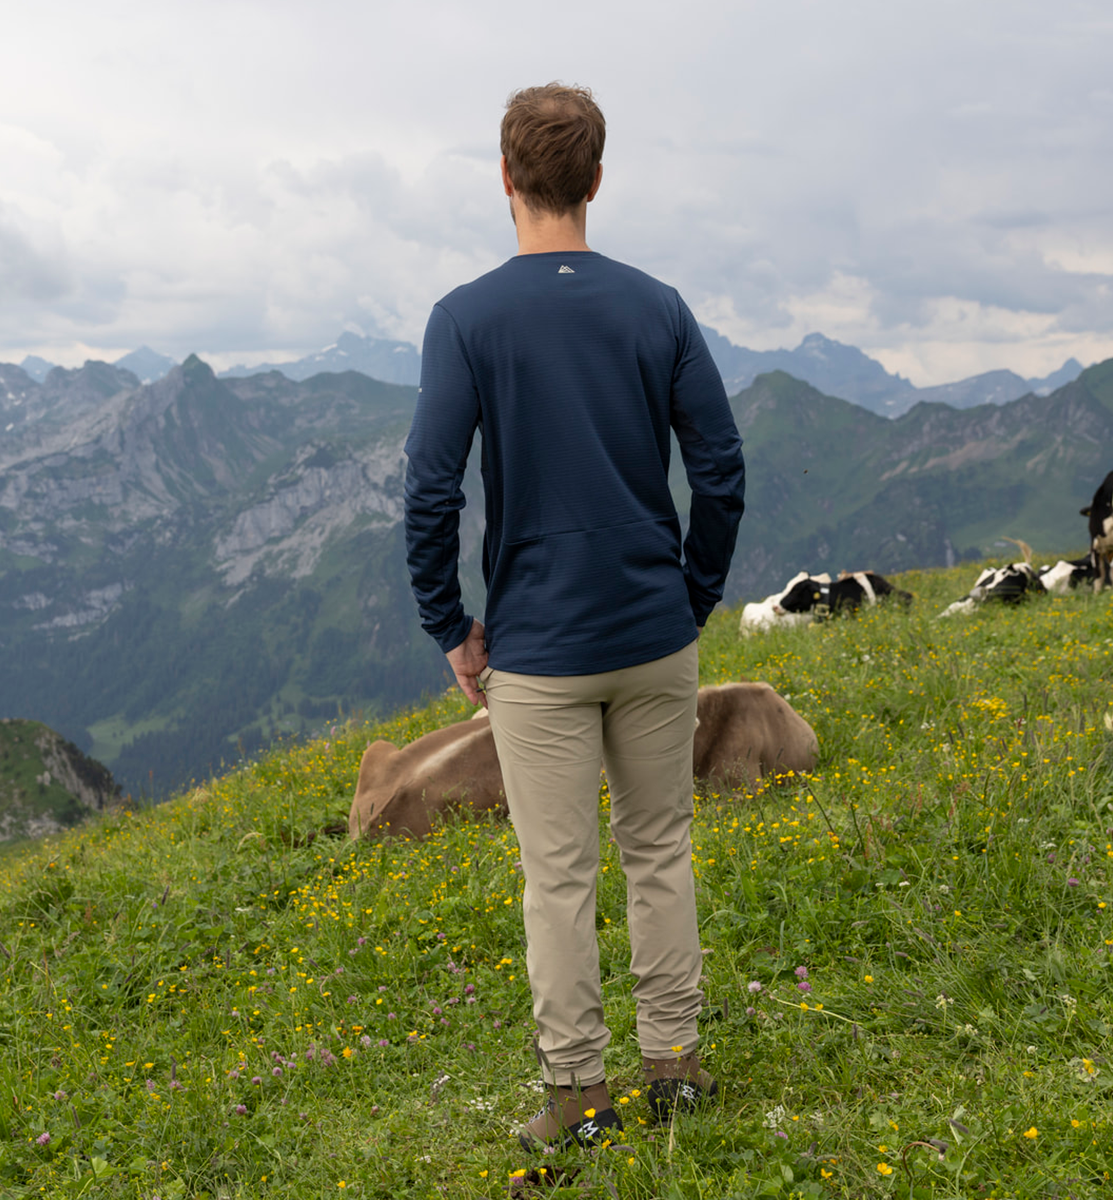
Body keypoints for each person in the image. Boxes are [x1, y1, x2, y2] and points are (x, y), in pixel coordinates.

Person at [403, 83, 745, 1149]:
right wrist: (689, 597)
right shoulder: (658, 307)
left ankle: (577, 1095)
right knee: (659, 850)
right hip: (653, 635)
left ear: (506, 180)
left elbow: (429, 491)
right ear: (597, 180)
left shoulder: (465, 319)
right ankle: (676, 1067)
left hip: (539, 653)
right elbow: (722, 471)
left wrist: (452, 627)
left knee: (558, 874)